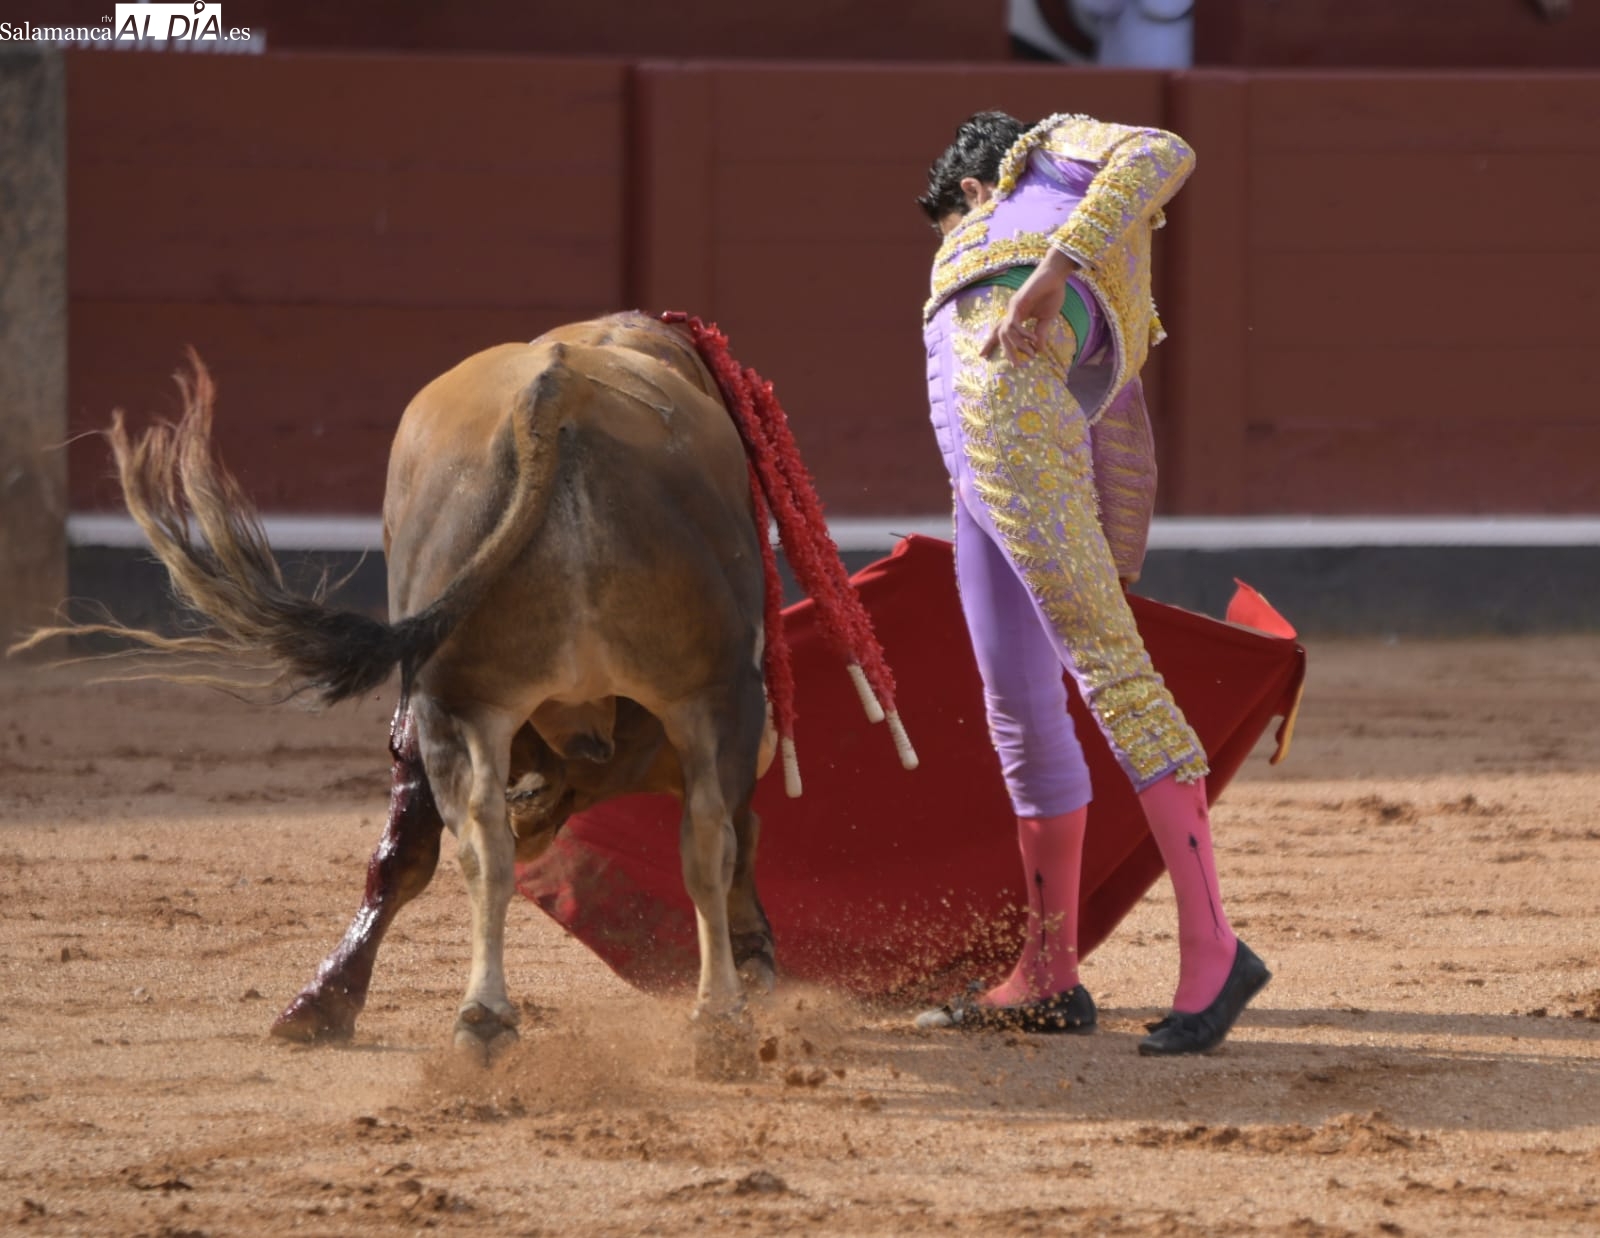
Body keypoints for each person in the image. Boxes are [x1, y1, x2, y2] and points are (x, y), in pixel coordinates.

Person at [913, 110, 1269, 1055]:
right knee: (1019, 707)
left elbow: (1163, 150)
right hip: (979, 470)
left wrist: (1055, 265)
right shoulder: (1034, 223)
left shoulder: (1051, 155)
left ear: (972, 192)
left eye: (951, 226)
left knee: (1112, 669)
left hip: (1015, 432)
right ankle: (1048, 970)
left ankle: (1215, 949)